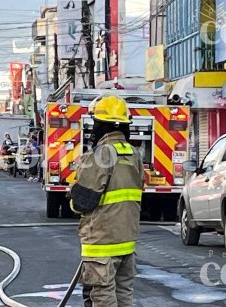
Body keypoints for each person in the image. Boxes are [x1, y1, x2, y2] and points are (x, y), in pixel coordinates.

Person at [70, 95, 144, 306]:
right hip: (126, 241)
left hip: (101, 242)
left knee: (102, 294)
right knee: (123, 294)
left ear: (100, 125)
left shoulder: (101, 154)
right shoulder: (134, 154)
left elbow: (81, 202)